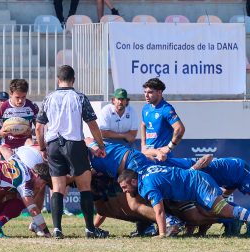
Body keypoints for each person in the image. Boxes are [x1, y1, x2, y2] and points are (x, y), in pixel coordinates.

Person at [35, 65, 107, 239]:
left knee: (58, 188)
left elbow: (38, 127)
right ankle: (90, 229)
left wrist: (43, 147)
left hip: (53, 144)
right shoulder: (80, 97)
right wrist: (100, 144)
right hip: (74, 144)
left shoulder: (48, 98)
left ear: (58, 80)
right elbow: (92, 124)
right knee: (84, 187)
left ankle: (57, 229)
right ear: (73, 80)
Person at [118, 166, 250, 239]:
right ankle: (234, 220)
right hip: (193, 185)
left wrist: (162, 234)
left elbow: (159, 210)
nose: (124, 191)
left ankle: (240, 218)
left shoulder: (147, 186)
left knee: (225, 210)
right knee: (205, 214)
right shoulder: (143, 172)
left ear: (134, 181)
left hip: (197, 184)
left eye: (125, 187)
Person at [140, 78, 185, 161]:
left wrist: (169, 147)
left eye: (150, 92)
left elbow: (179, 129)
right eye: (145, 92)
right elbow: (143, 124)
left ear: (159, 92)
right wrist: (143, 144)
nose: (146, 95)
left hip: (162, 157)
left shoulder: (166, 109)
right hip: (148, 155)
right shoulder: (146, 108)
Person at [0, 79, 38, 149]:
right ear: (11, 94)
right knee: (6, 152)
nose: (20, 101)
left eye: (23, 97)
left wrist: (32, 132)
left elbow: (39, 128)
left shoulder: (32, 106)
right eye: (17, 97)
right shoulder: (3, 107)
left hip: (26, 144)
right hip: (8, 146)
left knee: (33, 145)